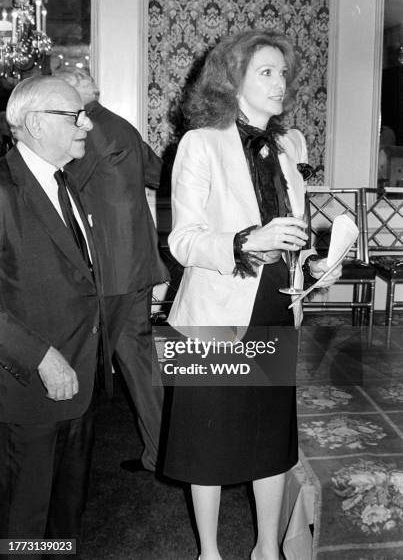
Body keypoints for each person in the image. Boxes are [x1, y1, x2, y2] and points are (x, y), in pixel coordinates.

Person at [162, 30, 342, 560]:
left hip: (275, 305)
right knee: (207, 439)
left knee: (269, 438)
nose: (280, 82)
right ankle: (210, 553)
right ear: (232, 79)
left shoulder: (288, 149)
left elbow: (296, 234)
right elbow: (182, 240)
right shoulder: (200, 143)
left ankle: (267, 548)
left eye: (283, 73)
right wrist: (246, 241)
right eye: (266, 71)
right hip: (213, 310)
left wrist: (313, 265)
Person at [0, 76, 105, 549]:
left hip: (79, 379)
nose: (86, 122)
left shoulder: (65, 182)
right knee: (24, 522)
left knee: (65, 516)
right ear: (37, 124)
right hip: (28, 387)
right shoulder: (3, 191)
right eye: (74, 115)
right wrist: (40, 356)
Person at [54, 68, 169, 472]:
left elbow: (57, 185)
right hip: (135, 261)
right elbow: (158, 174)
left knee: (125, 359)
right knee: (138, 358)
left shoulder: (88, 130)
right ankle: (160, 450)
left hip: (113, 269)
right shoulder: (121, 125)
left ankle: (162, 452)